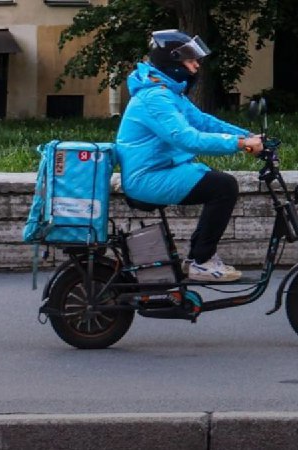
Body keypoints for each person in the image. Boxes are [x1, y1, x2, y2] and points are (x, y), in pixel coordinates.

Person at [115, 29, 263, 282]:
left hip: (161, 170)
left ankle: (197, 258)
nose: (196, 65)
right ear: (172, 63)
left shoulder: (167, 91)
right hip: (147, 178)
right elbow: (186, 138)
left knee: (217, 181)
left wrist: (248, 135)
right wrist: (241, 144)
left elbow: (202, 121)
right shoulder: (155, 97)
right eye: (190, 60)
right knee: (223, 186)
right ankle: (201, 262)